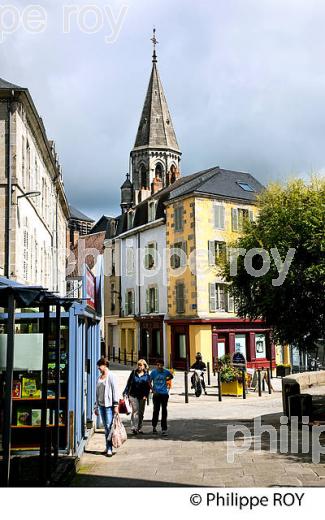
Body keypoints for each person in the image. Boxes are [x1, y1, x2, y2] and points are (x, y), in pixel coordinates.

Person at [94, 357, 119, 457]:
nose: (98, 368)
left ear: (104, 365)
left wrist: (116, 405)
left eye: (99, 366)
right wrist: (96, 406)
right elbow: (97, 393)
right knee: (106, 427)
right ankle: (107, 446)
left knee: (109, 426)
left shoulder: (111, 376)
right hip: (101, 405)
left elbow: (115, 391)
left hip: (109, 406)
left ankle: (109, 448)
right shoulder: (99, 377)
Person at [123, 359, 151, 434]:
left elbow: (148, 387)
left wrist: (146, 395)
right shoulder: (133, 373)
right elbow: (129, 383)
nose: (139, 366)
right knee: (135, 411)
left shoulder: (147, 376)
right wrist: (125, 392)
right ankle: (134, 428)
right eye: (138, 365)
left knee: (141, 413)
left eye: (141, 365)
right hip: (133, 395)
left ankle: (139, 427)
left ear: (144, 366)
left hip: (142, 396)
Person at [150, 359, 173, 436]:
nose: (159, 367)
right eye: (158, 365)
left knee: (164, 411)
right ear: (156, 365)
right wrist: (153, 390)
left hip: (164, 394)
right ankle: (154, 426)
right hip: (156, 394)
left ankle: (164, 428)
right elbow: (149, 381)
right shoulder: (153, 372)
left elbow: (171, 376)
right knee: (156, 410)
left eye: (161, 365)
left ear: (163, 365)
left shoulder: (165, 371)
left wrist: (167, 380)